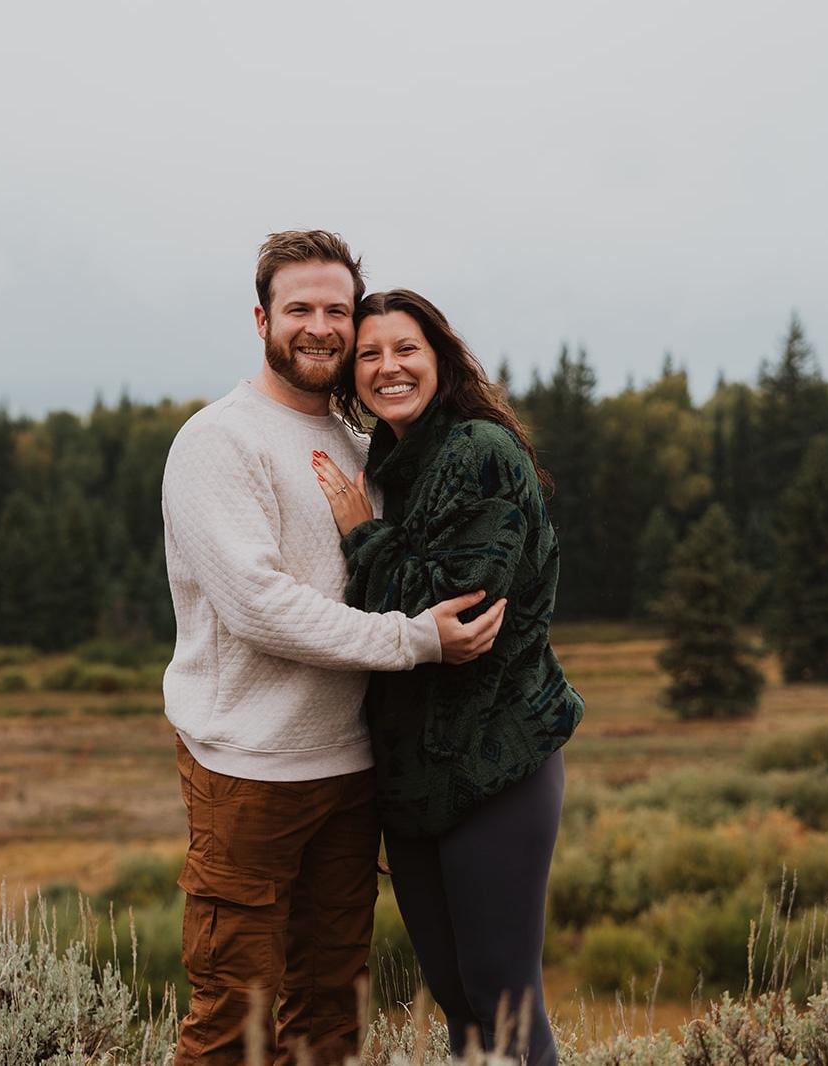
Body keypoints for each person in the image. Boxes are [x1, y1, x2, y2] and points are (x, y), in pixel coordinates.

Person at [160, 234, 508, 1065]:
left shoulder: (361, 443)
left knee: (331, 1015)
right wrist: (416, 640)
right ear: (262, 320)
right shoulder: (219, 441)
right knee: (233, 1016)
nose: (320, 327)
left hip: (351, 772)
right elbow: (260, 607)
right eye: (300, 309)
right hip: (249, 772)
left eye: (336, 310)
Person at [312, 289, 585, 1065]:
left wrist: (363, 537)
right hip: (414, 778)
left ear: (440, 358)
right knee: (461, 1003)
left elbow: (455, 606)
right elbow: (405, 632)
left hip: (496, 761)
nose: (388, 367)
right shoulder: (394, 465)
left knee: (502, 1000)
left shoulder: (478, 449)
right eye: (369, 355)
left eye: (406, 349)